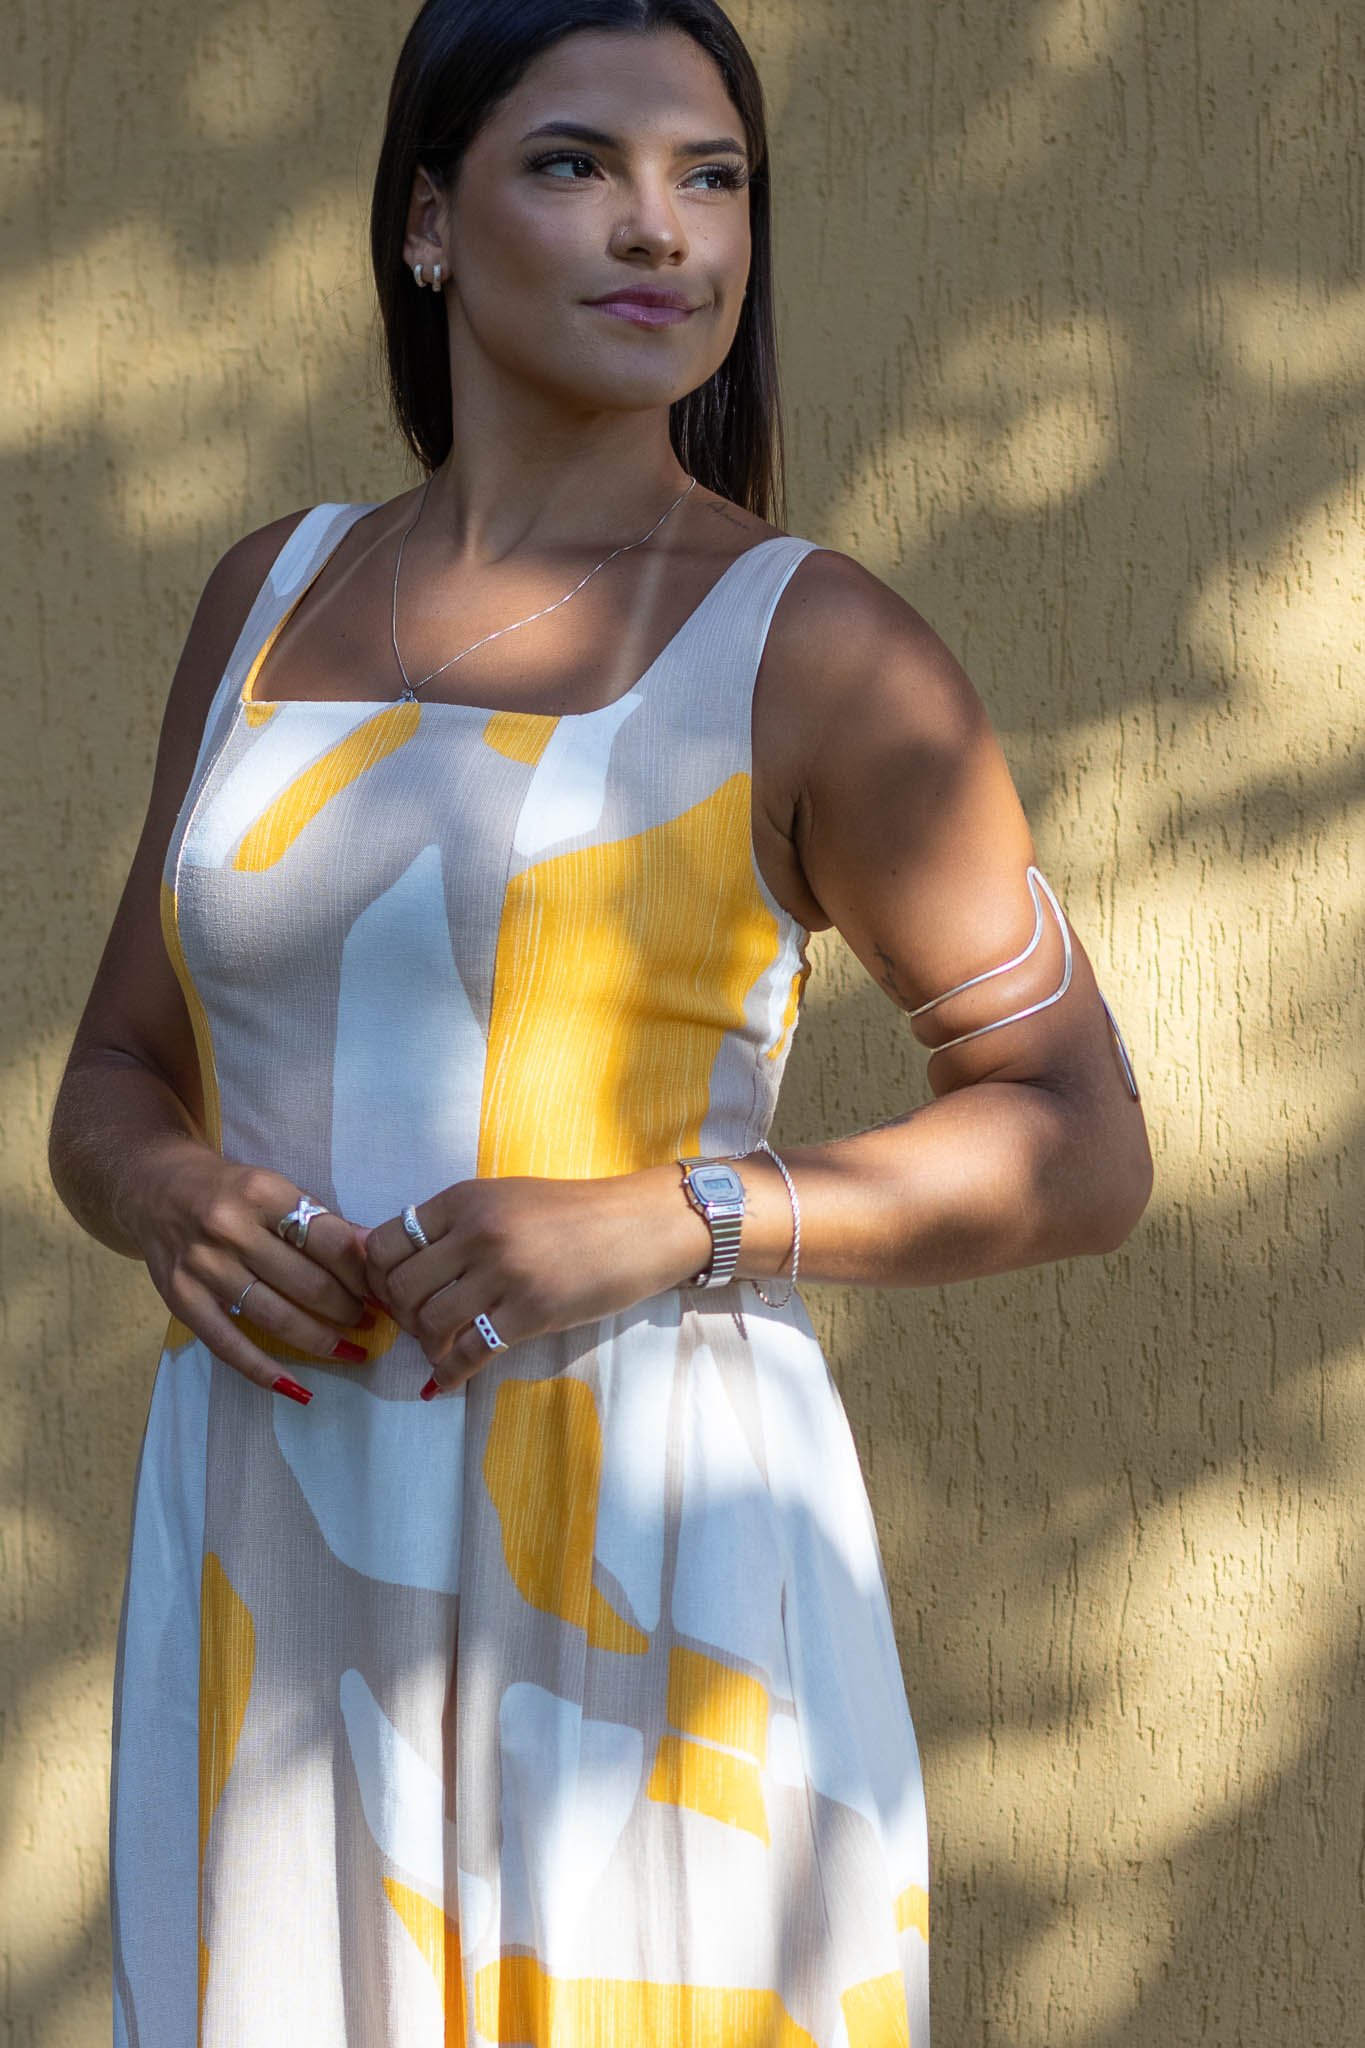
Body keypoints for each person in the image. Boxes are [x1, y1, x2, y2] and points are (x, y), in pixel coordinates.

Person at [48, 0, 1153, 2041]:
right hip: (274, 1549)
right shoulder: (265, 599)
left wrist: (675, 1214)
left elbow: (1076, 1136)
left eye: (709, 179)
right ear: (426, 225)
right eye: (577, 165)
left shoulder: (817, 645)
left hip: (650, 1560)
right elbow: (116, 1069)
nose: (662, 230)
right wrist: (162, 1197)